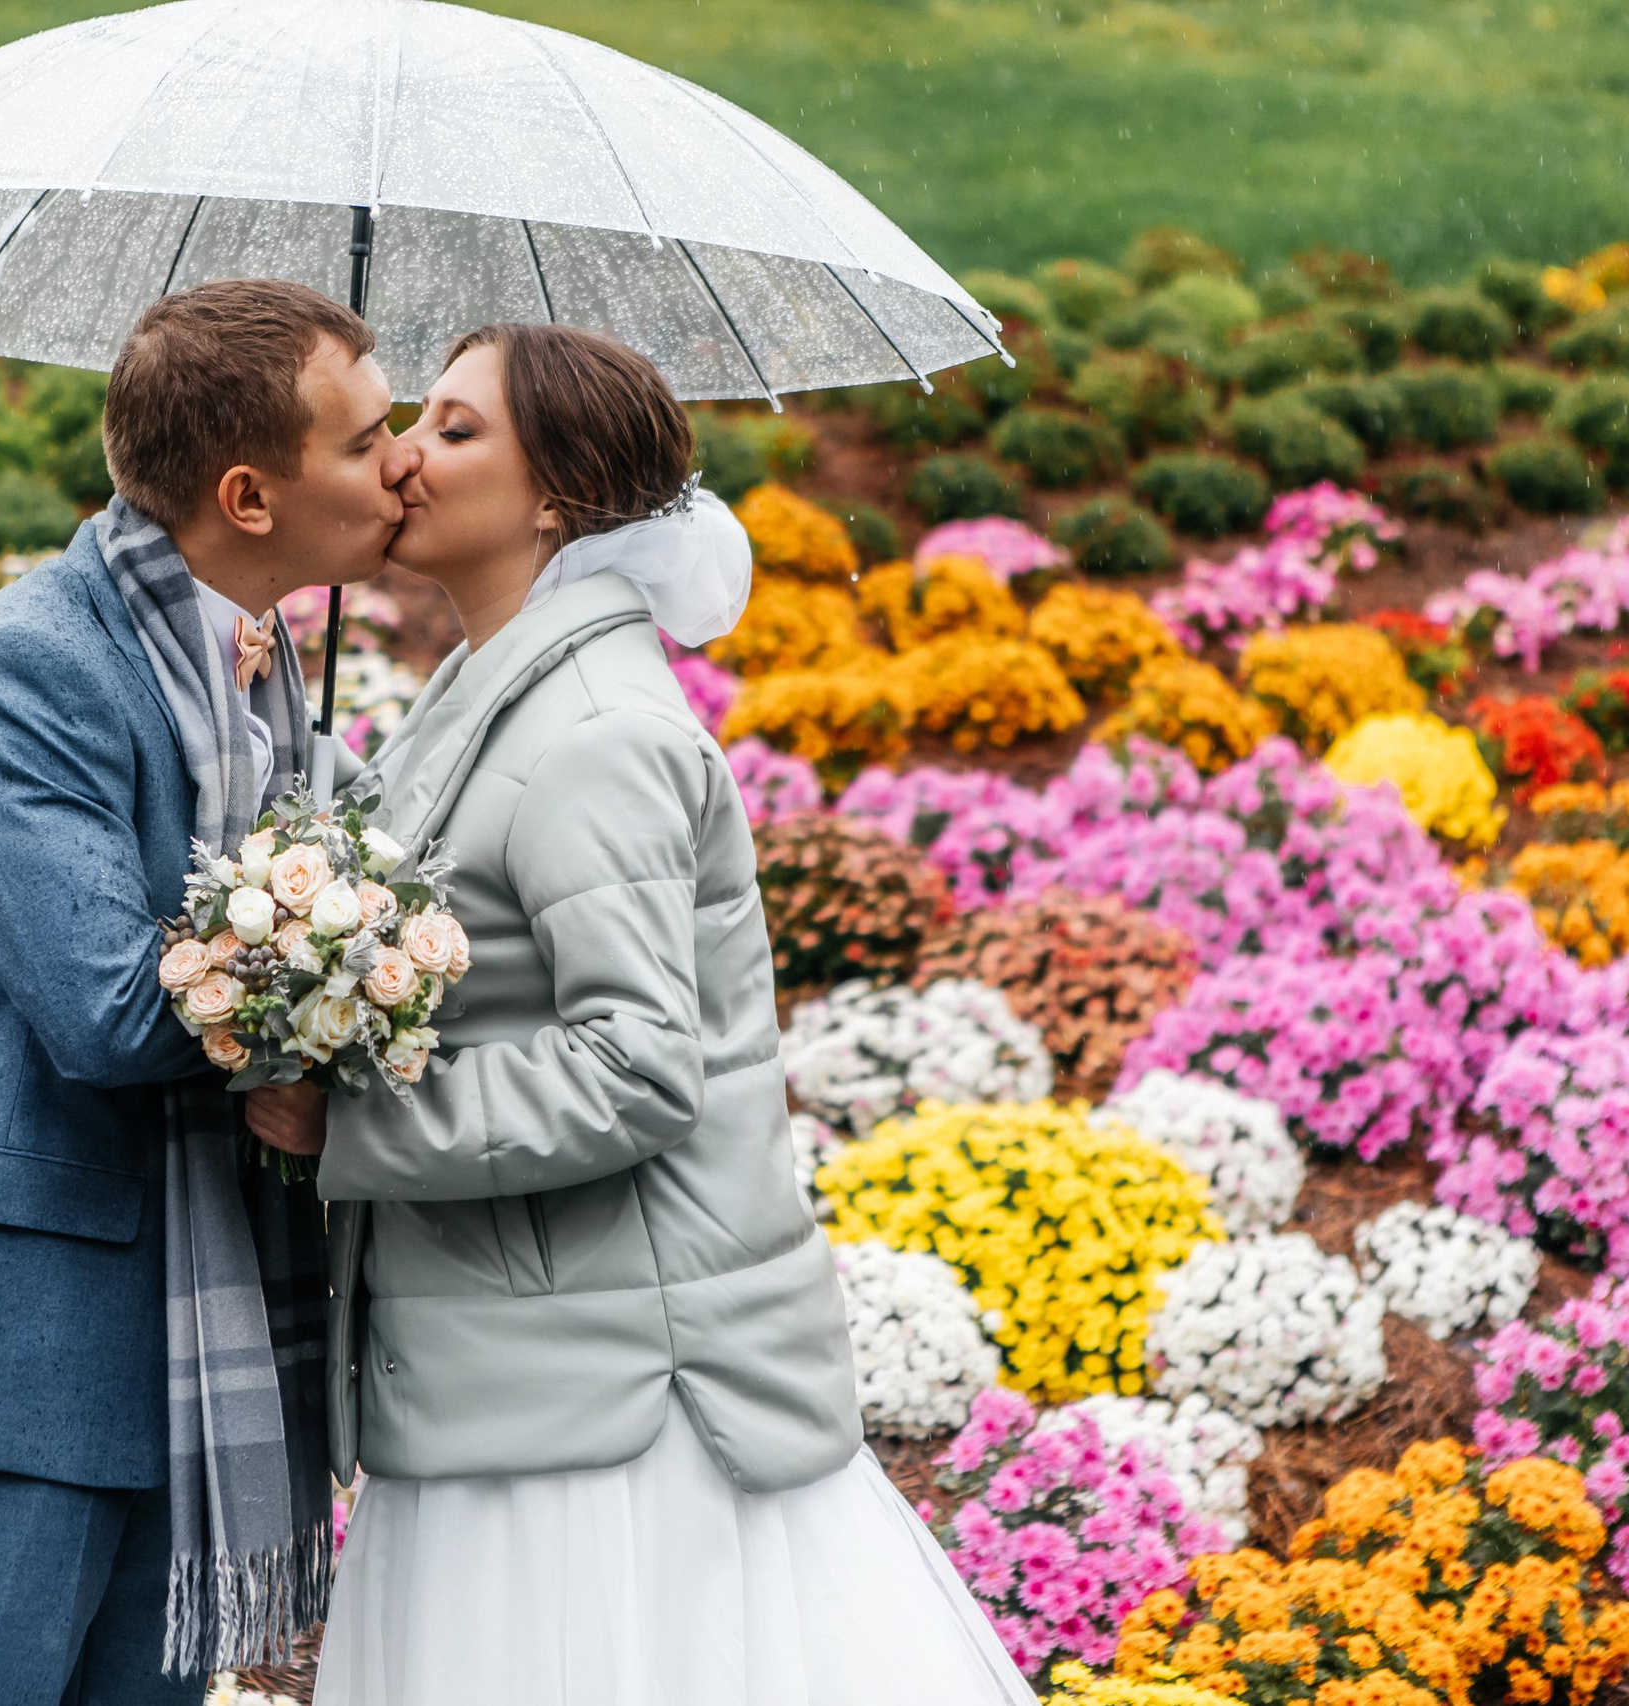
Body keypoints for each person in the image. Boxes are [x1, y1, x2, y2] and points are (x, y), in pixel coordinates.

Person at [250, 324, 1041, 1706]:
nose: (405, 456)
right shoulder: (492, 697)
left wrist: (350, 1128)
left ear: (558, 501)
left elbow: (636, 1068)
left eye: (454, 429)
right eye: (415, 422)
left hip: (612, 1409)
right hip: (518, 1363)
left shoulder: (597, 733)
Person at [0, 277, 409, 1706]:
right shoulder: (30, 667)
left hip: (191, 1353)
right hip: (8, 1350)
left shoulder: (259, 680)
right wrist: (341, 970)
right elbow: (111, 1007)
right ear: (249, 496)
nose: (401, 464)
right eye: (364, 440)